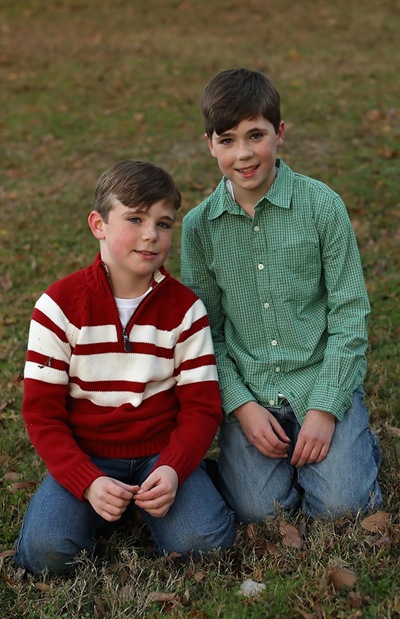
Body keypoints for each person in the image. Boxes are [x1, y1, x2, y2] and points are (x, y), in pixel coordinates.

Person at [14, 160, 235, 575]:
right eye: (135, 219)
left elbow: (202, 408)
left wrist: (173, 468)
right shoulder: (58, 307)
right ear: (98, 224)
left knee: (204, 544)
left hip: (160, 454)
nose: (151, 234)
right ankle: (102, 504)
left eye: (163, 223)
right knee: (46, 553)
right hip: (88, 455)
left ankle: (182, 486)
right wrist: (86, 480)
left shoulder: (186, 310)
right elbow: (42, 414)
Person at [181, 68, 382, 523]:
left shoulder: (322, 206)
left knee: (344, 507)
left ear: (280, 133)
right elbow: (206, 333)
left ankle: (353, 438)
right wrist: (241, 406)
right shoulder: (198, 228)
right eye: (228, 140)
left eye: (256, 135)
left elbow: (350, 313)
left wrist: (325, 409)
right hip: (251, 390)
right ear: (210, 144)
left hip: (318, 378)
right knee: (259, 512)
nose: (244, 153)